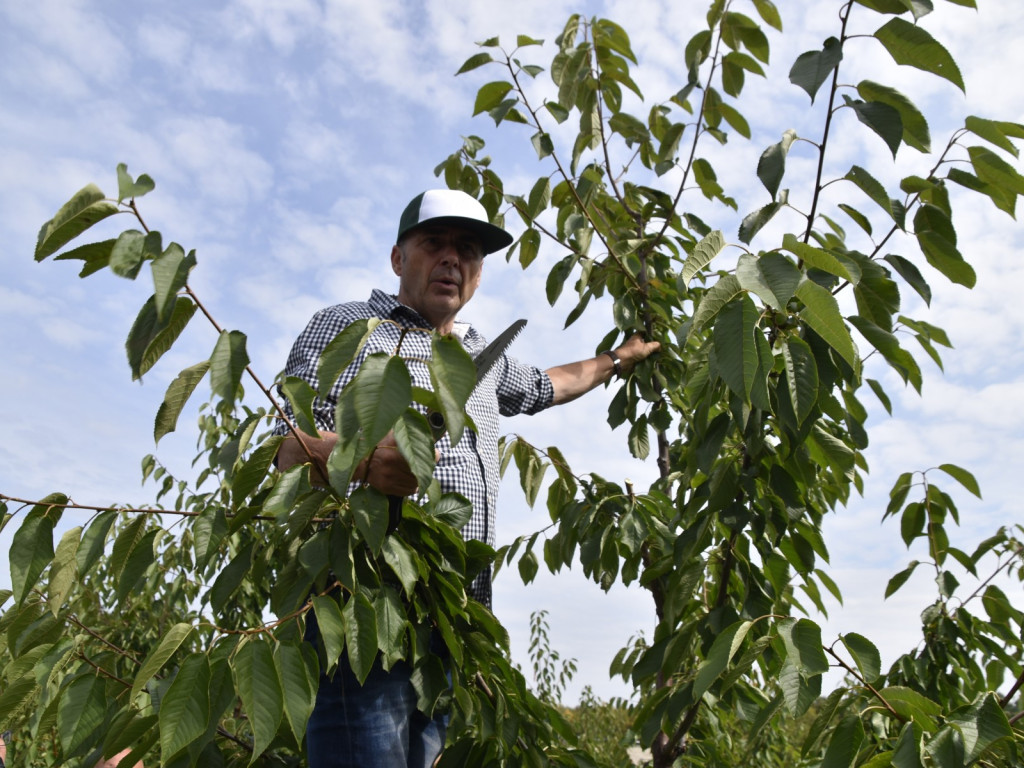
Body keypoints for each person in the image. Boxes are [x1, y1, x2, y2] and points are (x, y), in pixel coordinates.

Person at [275, 188, 659, 768]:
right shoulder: (348, 327)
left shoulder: (479, 352)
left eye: (469, 249)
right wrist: (363, 460)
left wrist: (619, 358)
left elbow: (547, 384)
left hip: (450, 625)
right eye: (435, 243)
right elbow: (279, 449)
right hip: (364, 616)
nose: (453, 259)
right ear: (398, 257)